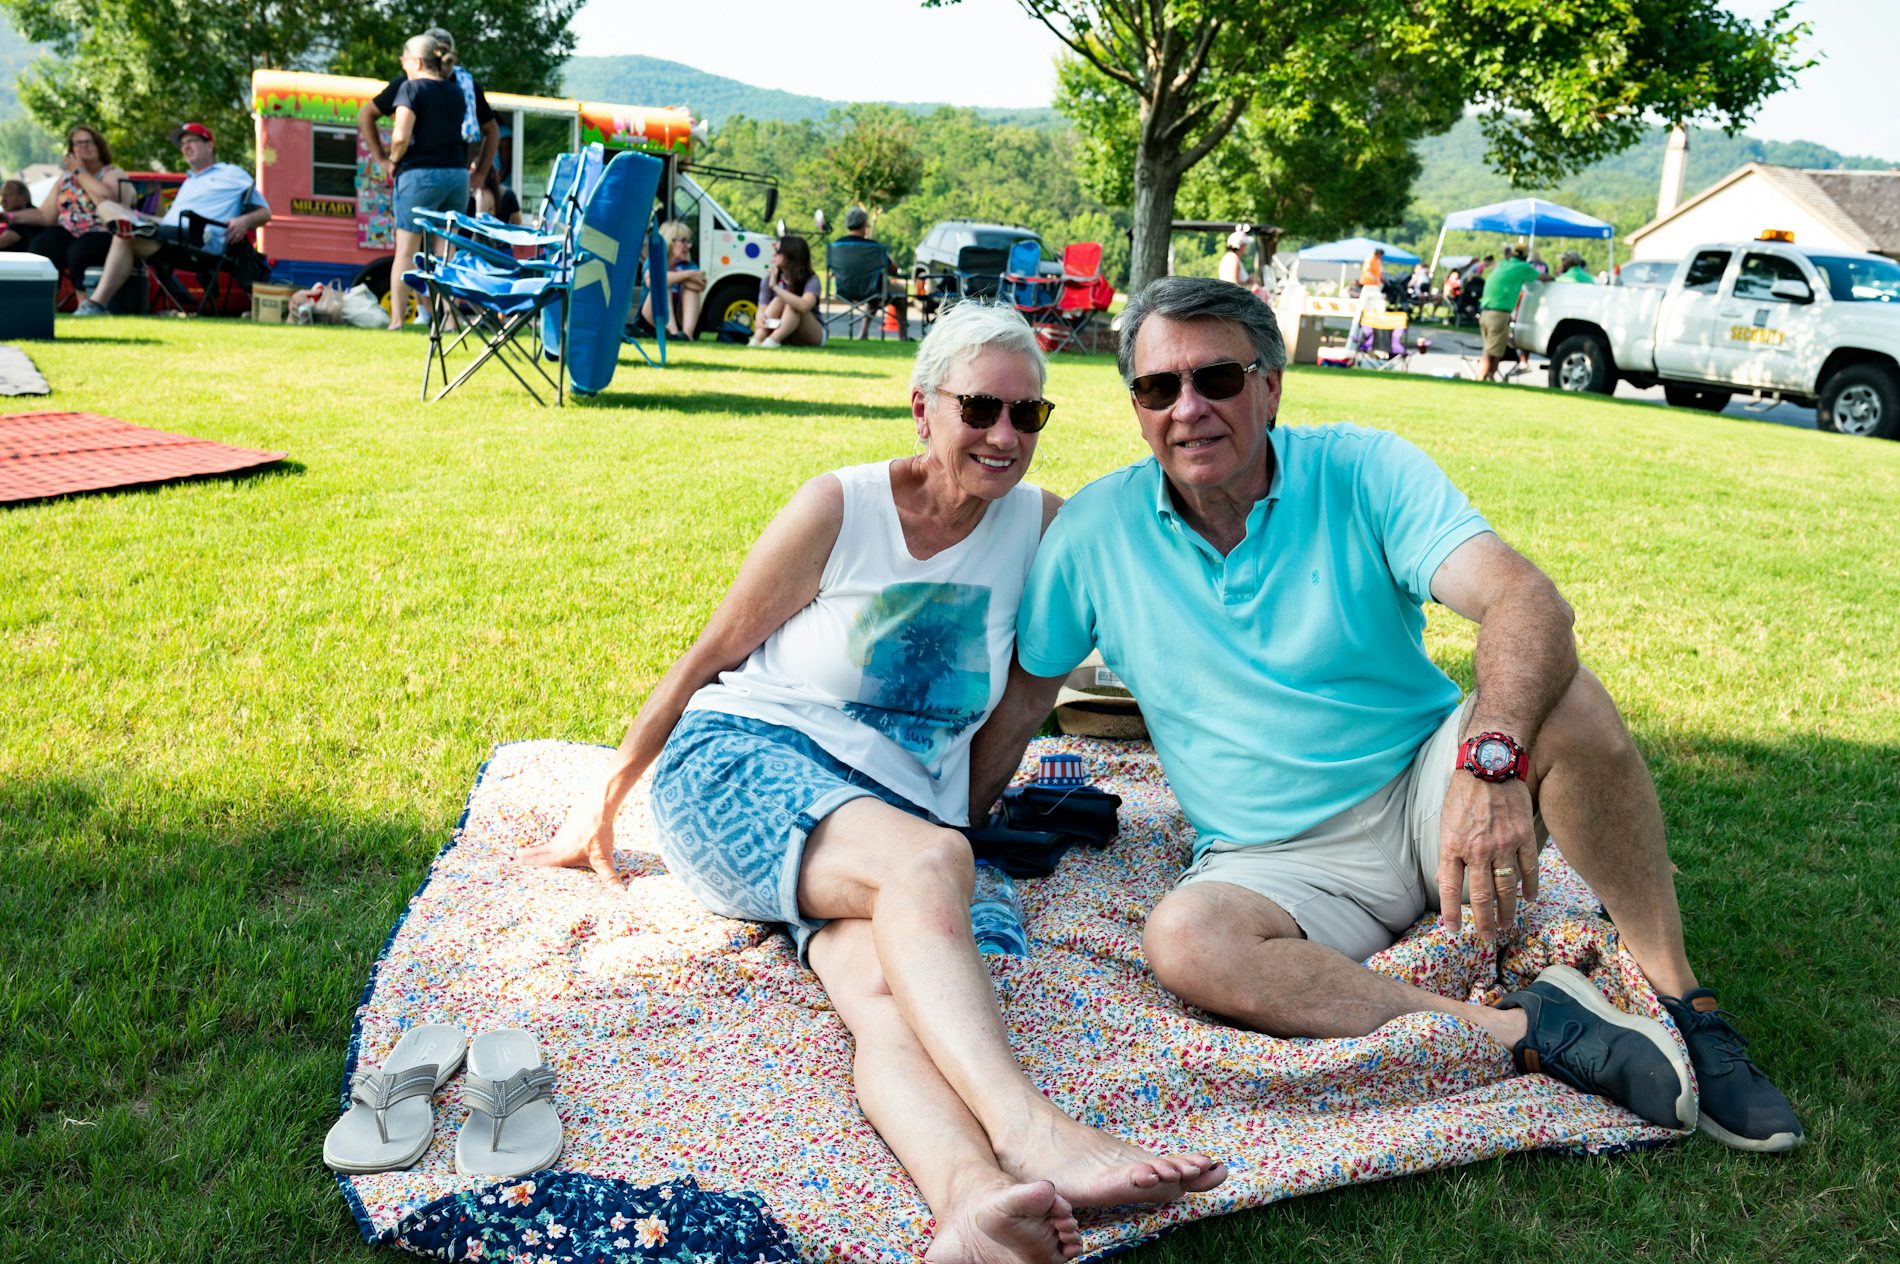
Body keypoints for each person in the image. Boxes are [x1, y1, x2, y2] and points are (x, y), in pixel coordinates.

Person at [971, 276, 1803, 1156]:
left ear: (1270, 387)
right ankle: (1529, 1028)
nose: (1187, 409)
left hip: (1428, 793)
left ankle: (1681, 1000)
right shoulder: (1093, 532)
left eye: (1215, 379)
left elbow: (1527, 601)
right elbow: (1025, 702)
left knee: (1569, 698)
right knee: (1186, 940)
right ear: (1137, 408)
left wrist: (1489, 761)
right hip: (1275, 862)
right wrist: (947, 835)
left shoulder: (1363, 469)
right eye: (1156, 387)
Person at [521, 303, 1226, 1264]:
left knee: (891, 994)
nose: (1006, 435)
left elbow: (1041, 696)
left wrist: (957, 825)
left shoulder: (1041, 528)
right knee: (928, 860)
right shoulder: (842, 508)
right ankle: (1029, 1129)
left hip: (883, 833)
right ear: (923, 408)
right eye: (980, 408)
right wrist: (604, 798)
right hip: (744, 767)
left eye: (1028, 414)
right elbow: (708, 656)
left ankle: (972, 1203)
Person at [76, 124, 271, 316]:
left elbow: (265, 213)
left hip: (199, 238)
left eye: (191, 141)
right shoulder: (189, 182)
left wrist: (244, 221)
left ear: (209, 145)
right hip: (170, 235)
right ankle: (134, 226)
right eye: (183, 144)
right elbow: (168, 222)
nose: (186, 147)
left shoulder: (231, 173)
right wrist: (140, 215)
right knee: (108, 208)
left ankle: (95, 303)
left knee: (126, 235)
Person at [378, 33, 473, 331]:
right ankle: (449, 320)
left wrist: (393, 161)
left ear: (417, 62)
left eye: (405, 61)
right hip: (457, 176)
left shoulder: (411, 88)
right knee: (446, 252)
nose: (403, 67)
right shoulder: (455, 92)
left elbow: (400, 135)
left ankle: (397, 321)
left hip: (420, 175)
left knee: (406, 250)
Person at [20, 126, 131, 293]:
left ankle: (86, 302)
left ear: (99, 146)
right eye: (78, 143)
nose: (84, 146)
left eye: (89, 142)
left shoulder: (112, 173)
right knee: (41, 246)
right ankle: (43, 299)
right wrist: (10, 216)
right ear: (71, 150)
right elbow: (45, 215)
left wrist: (80, 171)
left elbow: (105, 198)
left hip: (102, 231)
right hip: (69, 230)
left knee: (80, 252)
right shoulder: (65, 178)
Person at [835, 205, 911, 340]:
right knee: (899, 292)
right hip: (873, 290)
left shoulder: (836, 246)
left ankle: (863, 333)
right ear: (865, 224)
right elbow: (893, 269)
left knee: (874, 291)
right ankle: (903, 336)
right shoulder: (874, 247)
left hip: (844, 289)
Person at [1476, 244, 1540, 381]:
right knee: (1492, 352)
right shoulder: (1522, 267)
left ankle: (1488, 378)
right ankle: (1483, 378)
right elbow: (1543, 277)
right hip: (1499, 314)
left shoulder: (1502, 264)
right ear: (1525, 256)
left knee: (1490, 349)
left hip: (1485, 312)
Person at [749, 233, 824, 348]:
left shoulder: (810, 279)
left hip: (810, 332)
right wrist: (760, 317)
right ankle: (757, 339)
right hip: (783, 328)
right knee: (778, 301)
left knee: (792, 305)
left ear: (791, 255)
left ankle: (772, 341)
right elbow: (762, 309)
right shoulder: (769, 278)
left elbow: (804, 306)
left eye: (778, 251)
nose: (774, 254)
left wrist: (775, 287)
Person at [637, 219, 707, 340]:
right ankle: (673, 333)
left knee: (690, 289)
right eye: (683, 241)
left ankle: (687, 335)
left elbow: (701, 285)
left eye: (689, 242)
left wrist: (676, 278)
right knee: (664, 285)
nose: (688, 246)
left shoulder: (688, 265)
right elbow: (652, 282)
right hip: (651, 320)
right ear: (669, 241)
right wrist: (686, 275)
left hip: (679, 317)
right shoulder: (655, 260)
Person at [0, 179, 34, 252]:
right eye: (2, 196)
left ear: (24, 198)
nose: (3, 201)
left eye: (7, 195)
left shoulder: (25, 219)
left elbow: (4, 241)